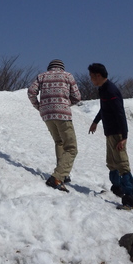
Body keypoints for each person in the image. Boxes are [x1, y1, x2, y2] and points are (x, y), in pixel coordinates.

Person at [87, 63, 133, 210]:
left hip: (117, 133)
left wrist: (124, 136)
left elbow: (120, 113)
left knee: (122, 165)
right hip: (109, 132)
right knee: (111, 162)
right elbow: (104, 109)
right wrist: (95, 122)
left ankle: (129, 200)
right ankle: (117, 189)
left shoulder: (111, 90)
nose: (90, 79)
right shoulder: (103, 89)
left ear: (98, 76)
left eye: (91, 76)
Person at [28, 59, 81, 192]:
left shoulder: (42, 76)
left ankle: (63, 173)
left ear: (49, 68)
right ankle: (57, 177)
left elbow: (31, 91)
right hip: (62, 114)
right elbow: (77, 96)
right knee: (71, 148)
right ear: (62, 68)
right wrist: (66, 103)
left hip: (47, 114)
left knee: (59, 142)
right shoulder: (67, 76)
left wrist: (39, 106)